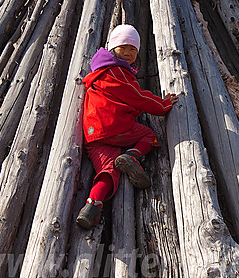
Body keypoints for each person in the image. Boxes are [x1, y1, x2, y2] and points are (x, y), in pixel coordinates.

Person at [76, 24, 178, 229]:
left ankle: (92, 204)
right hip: (116, 128)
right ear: (113, 48)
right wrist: (164, 104)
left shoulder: (98, 73)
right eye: (124, 47)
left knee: (108, 170)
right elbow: (138, 97)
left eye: (133, 49)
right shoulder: (116, 73)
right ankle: (132, 155)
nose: (129, 53)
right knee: (150, 136)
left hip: (94, 135)